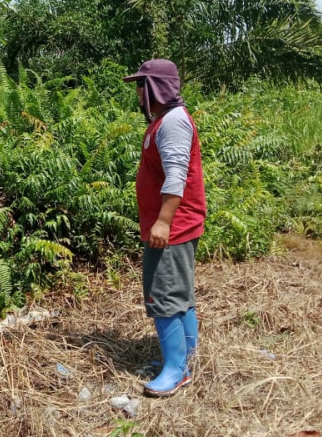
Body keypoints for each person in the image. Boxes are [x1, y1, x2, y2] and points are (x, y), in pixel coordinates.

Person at [123, 59, 206, 397]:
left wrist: (162, 221)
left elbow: (175, 177)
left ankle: (176, 370)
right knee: (179, 294)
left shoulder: (172, 123)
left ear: (156, 87)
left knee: (164, 295)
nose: (138, 92)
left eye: (142, 85)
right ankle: (184, 357)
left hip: (172, 226)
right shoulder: (165, 120)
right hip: (178, 224)